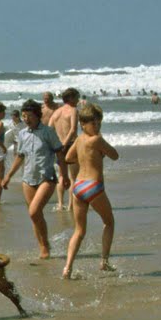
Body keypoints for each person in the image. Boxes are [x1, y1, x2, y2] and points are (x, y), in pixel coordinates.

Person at [62, 103, 119, 279]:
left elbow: (68, 158)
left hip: (78, 186)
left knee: (79, 231)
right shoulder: (97, 140)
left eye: (99, 123)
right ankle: (104, 262)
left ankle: (67, 268)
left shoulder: (79, 139)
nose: (97, 127)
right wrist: (100, 152)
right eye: (93, 124)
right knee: (109, 222)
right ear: (83, 124)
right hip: (94, 186)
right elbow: (115, 155)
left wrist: (84, 158)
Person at [2, 100, 63, 259]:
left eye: (29, 116)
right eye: (23, 116)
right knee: (35, 216)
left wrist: (66, 175)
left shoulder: (48, 132)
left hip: (46, 177)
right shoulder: (22, 134)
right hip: (28, 178)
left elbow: (60, 153)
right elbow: (20, 156)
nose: (26, 119)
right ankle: (43, 246)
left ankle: (45, 246)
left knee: (34, 211)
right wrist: (8, 176)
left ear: (37, 115)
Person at [49, 88, 81, 211]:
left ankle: (60, 204)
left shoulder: (56, 112)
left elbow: (49, 128)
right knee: (73, 177)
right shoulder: (73, 110)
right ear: (71, 98)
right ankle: (70, 206)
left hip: (58, 145)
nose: (78, 100)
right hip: (71, 144)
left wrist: (57, 144)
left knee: (61, 176)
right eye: (77, 97)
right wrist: (65, 144)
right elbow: (73, 129)